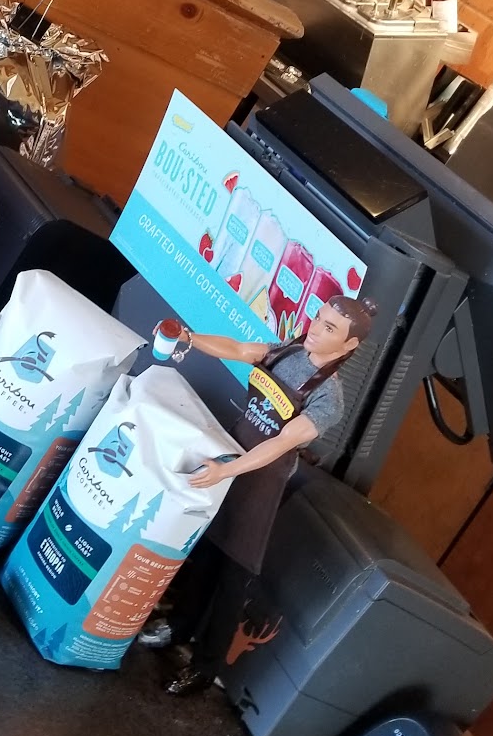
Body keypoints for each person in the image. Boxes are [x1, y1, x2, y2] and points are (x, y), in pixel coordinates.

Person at [142, 295, 377, 695]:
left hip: (260, 482)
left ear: (349, 345)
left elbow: (281, 444)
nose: (315, 330)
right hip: (230, 459)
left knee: (234, 572)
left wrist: (227, 470)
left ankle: (204, 667)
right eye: (318, 318)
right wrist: (188, 337)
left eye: (329, 328)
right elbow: (238, 349)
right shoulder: (288, 352)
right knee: (206, 550)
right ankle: (179, 626)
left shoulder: (328, 399)